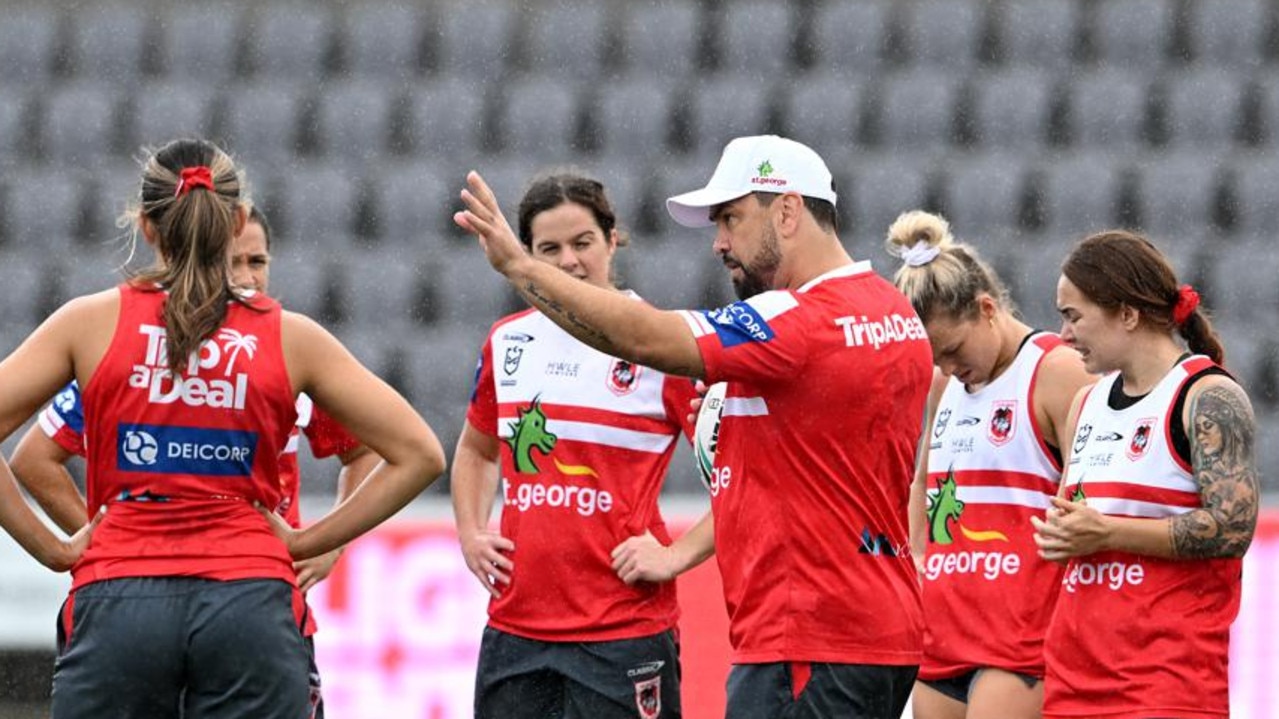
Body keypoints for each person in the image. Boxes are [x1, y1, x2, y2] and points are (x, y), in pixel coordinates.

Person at [456, 135, 934, 719]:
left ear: (786, 211)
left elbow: (645, 338)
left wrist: (520, 267)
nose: (719, 243)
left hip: (805, 638)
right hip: (876, 630)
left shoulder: (797, 321)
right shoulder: (892, 312)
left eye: (731, 219)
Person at [0, 138, 445, 718]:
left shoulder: (88, 323)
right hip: (249, 605)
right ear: (236, 223)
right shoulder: (290, 336)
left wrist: (55, 550)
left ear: (147, 227)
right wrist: (310, 542)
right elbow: (421, 454)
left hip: (119, 604)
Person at [452, 172, 698, 719]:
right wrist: (471, 531)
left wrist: (678, 553)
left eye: (582, 243)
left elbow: (741, 472)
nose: (568, 261)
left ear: (613, 241)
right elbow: (476, 450)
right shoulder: (508, 341)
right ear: (528, 254)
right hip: (515, 629)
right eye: (549, 249)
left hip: (623, 632)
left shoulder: (660, 340)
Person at [1031, 230, 1258, 718]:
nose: (1064, 335)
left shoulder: (1206, 397)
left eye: (1074, 317)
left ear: (1127, 315)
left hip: (1165, 683)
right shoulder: (1084, 404)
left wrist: (1106, 532)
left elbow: (1233, 529)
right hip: (1073, 680)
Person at [883, 211, 1093, 719]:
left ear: (987, 308)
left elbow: (1088, 496)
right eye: (935, 358)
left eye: (953, 350)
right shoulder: (944, 386)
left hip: (1019, 637)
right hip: (944, 631)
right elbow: (922, 480)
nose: (949, 368)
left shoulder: (1055, 369)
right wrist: (916, 562)